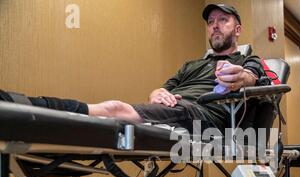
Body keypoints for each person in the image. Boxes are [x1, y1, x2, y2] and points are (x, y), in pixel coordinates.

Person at [0, 4, 271, 134]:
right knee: (116, 111)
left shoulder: (249, 59)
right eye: (210, 21)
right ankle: (19, 106)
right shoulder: (192, 64)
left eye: (222, 20)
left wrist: (240, 77)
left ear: (237, 29)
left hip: (206, 117)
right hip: (177, 109)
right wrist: (157, 93)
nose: (214, 25)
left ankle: (19, 105)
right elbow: (164, 88)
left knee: (115, 109)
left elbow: (251, 78)